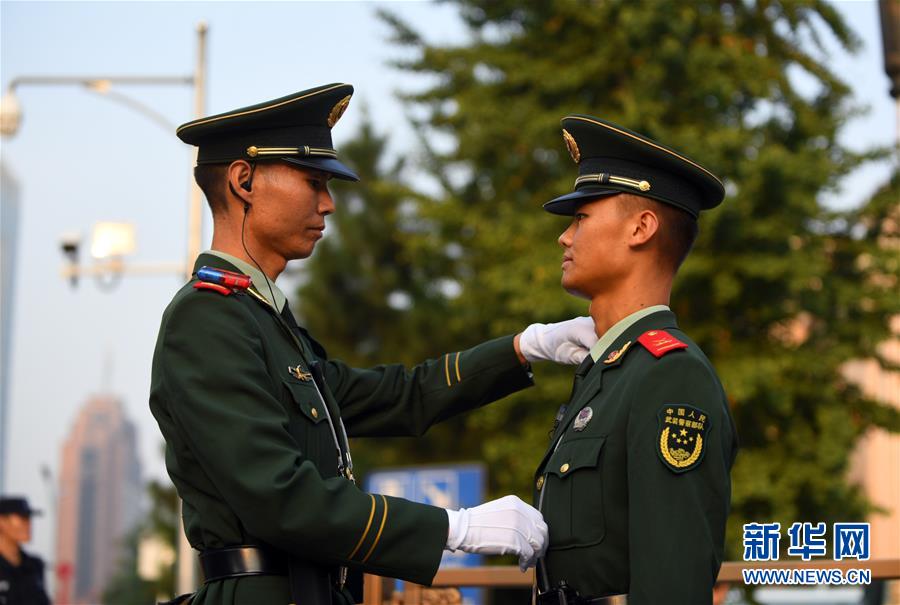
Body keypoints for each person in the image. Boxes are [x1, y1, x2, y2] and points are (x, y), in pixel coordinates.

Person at [150, 83, 598, 605]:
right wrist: (454, 529)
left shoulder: (263, 320)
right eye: (313, 181)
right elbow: (281, 497)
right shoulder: (206, 320)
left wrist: (523, 348)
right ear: (244, 180)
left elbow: (396, 397)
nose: (329, 204)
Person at [533, 115, 739, 605]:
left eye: (582, 217)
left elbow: (672, 579)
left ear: (642, 228)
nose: (565, 236)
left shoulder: (670, 374)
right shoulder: (610, 372)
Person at [0, 497, 50, 605]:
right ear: (2, 521)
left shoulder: (34, 566)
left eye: (29, 518)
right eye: (22, 518)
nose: (28, 525)